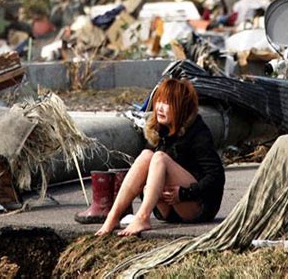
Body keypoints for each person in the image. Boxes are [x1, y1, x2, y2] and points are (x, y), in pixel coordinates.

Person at [95, 78, 225, 236]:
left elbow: (216, 177)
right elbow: (146, 175)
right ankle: (113, 216)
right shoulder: (159, 131)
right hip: (167, 210)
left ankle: (142, 217)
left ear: (181, 107)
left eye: (167, 103)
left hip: (196, 207)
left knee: (159, 158)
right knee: (146, 155)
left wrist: (184, 193)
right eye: (159, 102)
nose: (160, 108)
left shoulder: (198, 132)